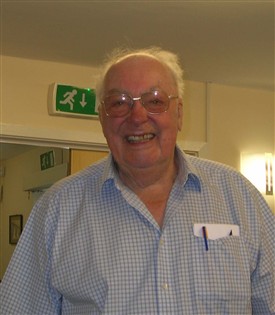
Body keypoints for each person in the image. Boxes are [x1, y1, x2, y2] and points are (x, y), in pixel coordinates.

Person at [0, 47, 274, 315]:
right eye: (119, 103)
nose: (138, 116)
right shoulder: (57, 210)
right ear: (102, 119)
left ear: (178, 114)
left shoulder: (240, 197)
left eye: (154, 100)